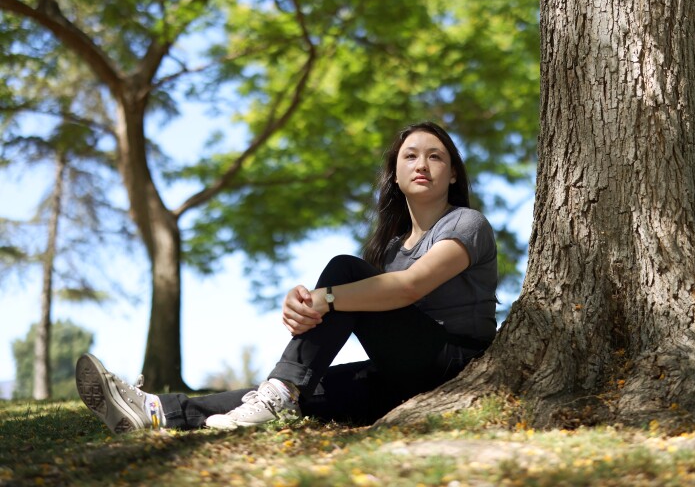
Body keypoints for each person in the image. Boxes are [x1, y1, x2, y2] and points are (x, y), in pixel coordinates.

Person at [75, 121, 498, 433]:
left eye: (435, 155)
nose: (422, 163)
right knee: (302, 388)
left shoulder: (466, 223)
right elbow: (369, 308)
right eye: (411, 155)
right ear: (396, 172)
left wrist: (325, 298)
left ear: (453, 173)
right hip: (402, 376)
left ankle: (280, 392)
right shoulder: (390, 249)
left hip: (455, 364)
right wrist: (307, 307)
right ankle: (157, 411)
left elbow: (408, 288)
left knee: (343, 270)